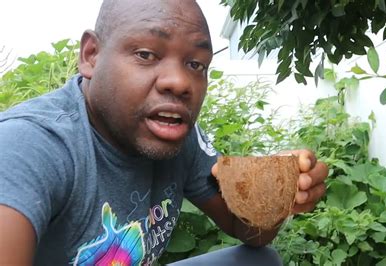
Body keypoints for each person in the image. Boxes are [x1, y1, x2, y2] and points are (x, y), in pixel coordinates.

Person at [0, 0, 328, 265]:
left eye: (196, 64)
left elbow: (248, 231)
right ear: (91, 56)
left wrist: (275, 194)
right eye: (146, 54)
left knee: (260, 260)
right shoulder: (28, 146)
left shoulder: (176, 135)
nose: (181, 82)